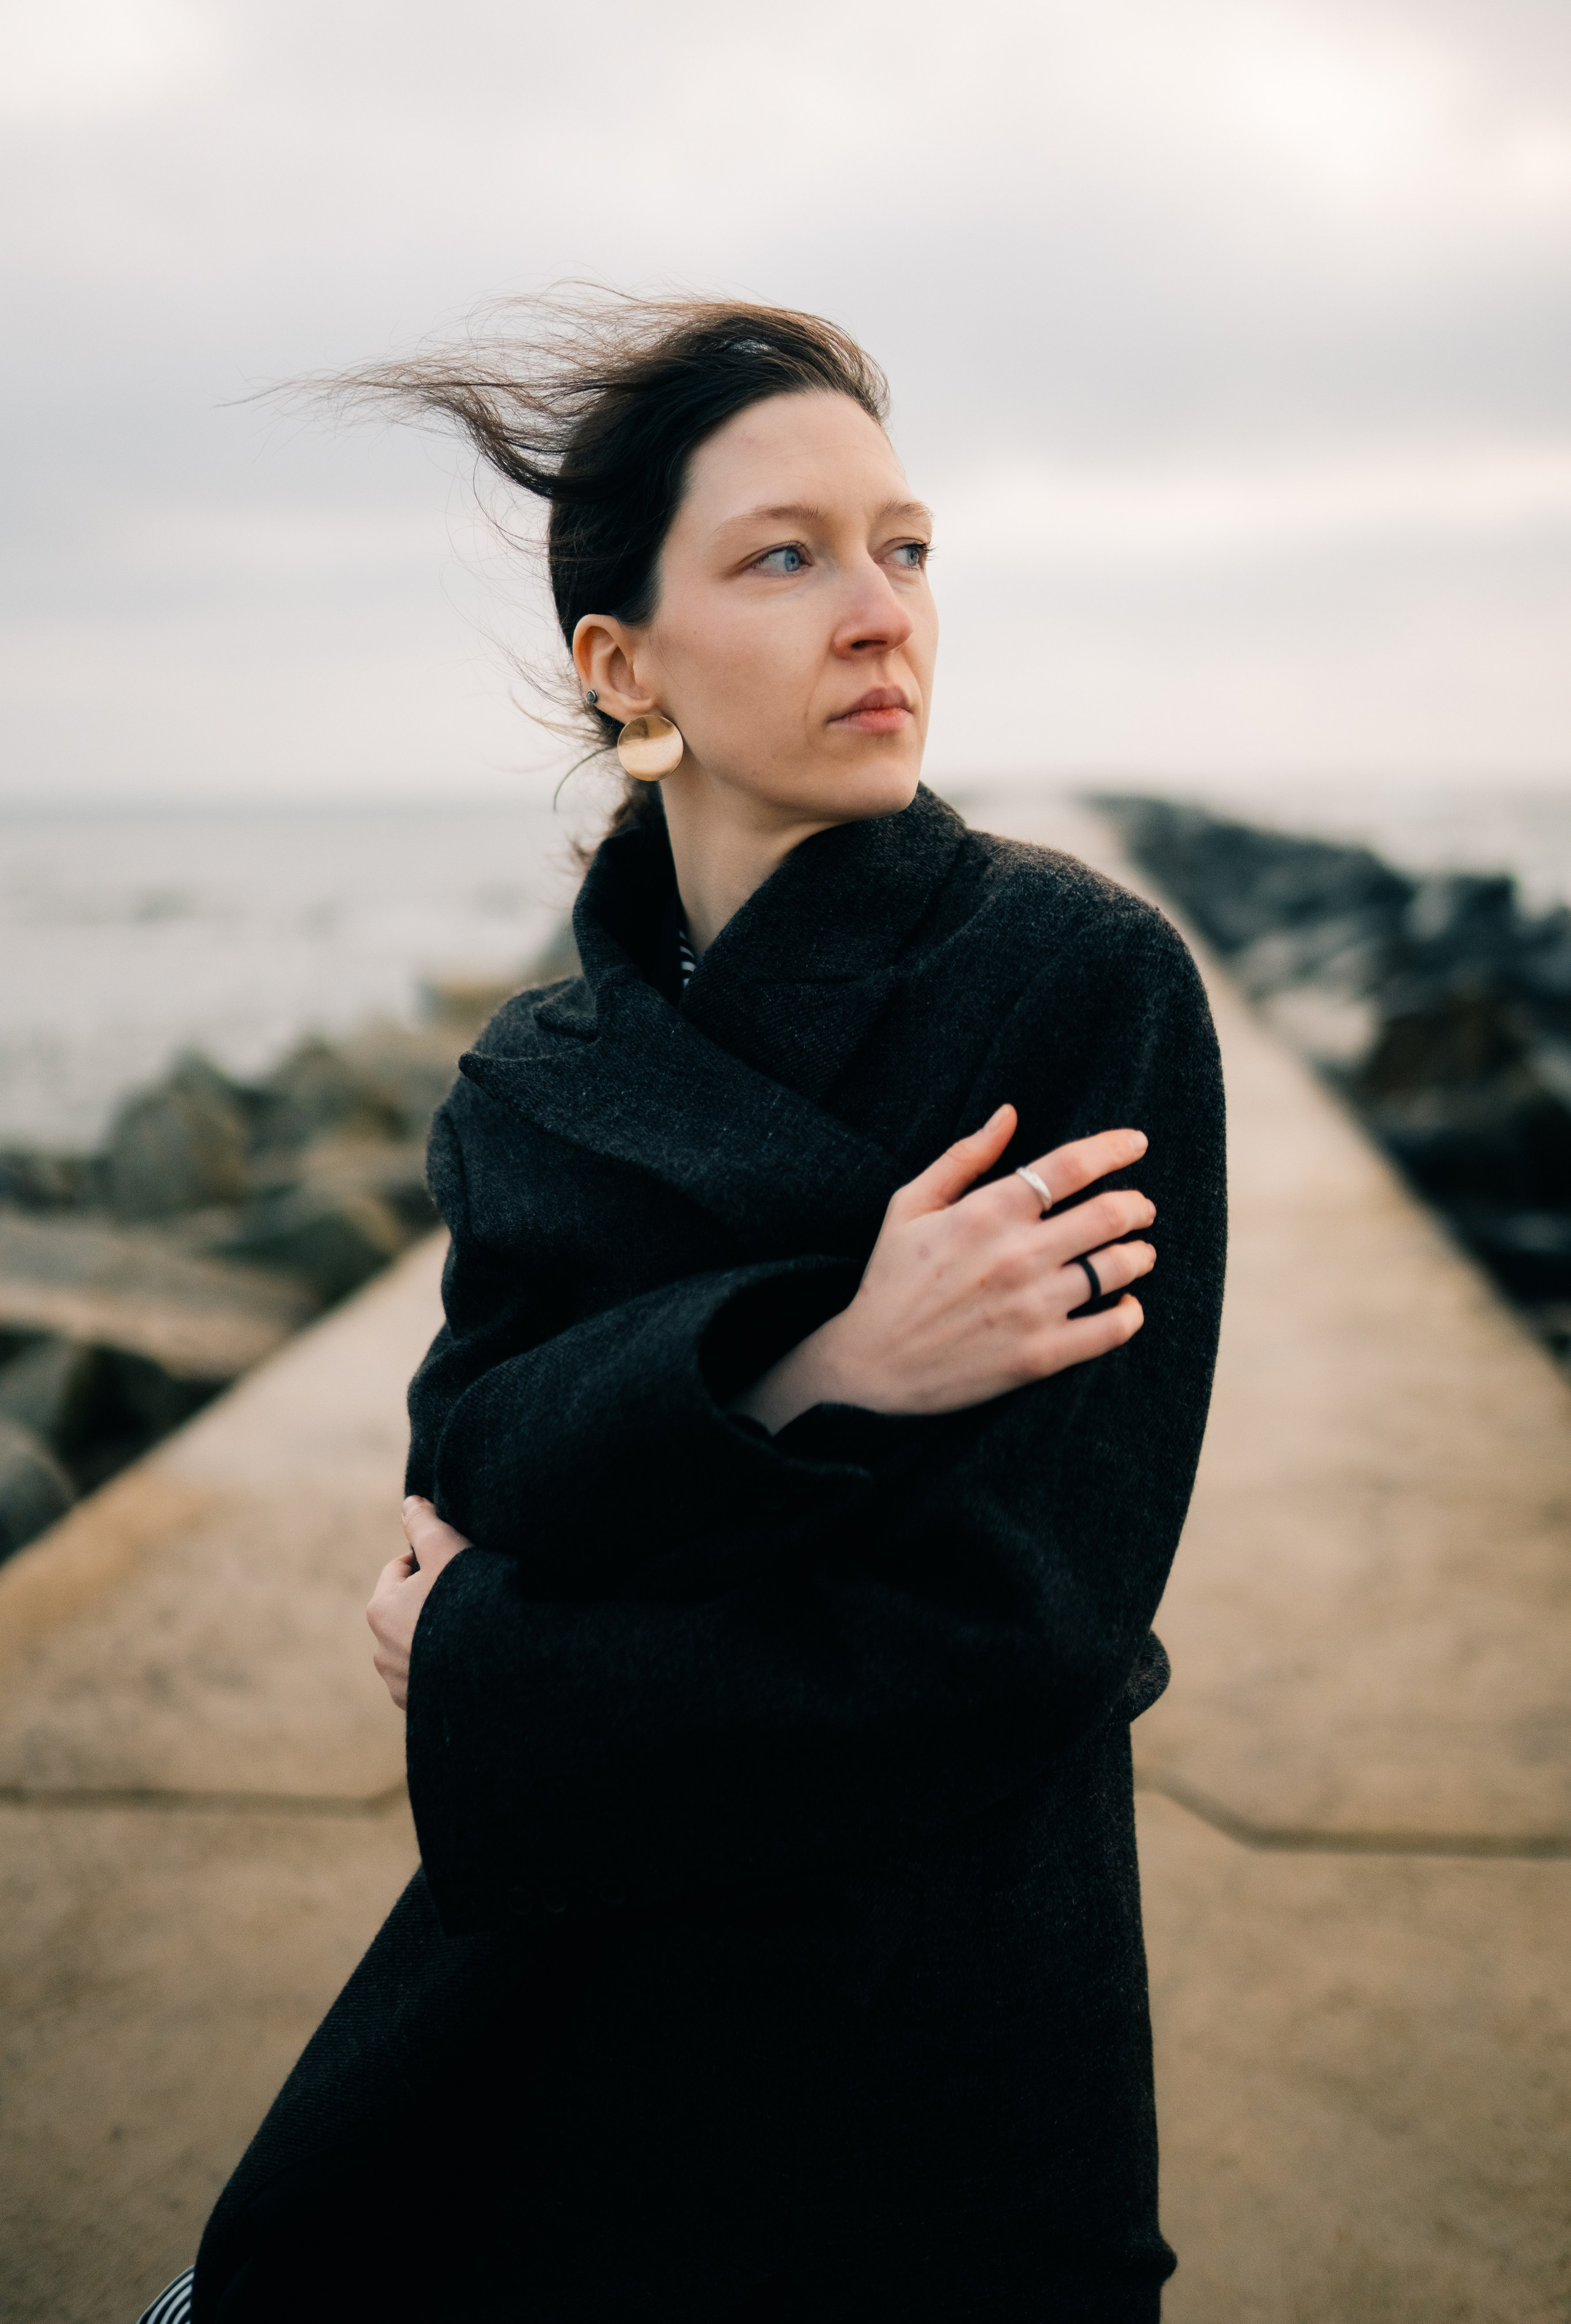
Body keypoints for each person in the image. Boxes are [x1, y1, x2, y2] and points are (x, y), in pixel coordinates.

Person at [144, 296, 1225, 2324]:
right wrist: (825, 1364)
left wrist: (495, 1663)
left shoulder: (1082, 985)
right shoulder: (536, 1074)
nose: (883, 613)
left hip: (938, 2050)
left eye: (906, 547)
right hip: (550, 2002)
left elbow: (1014, 1629)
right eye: (787, 556)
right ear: (622, 665)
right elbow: (470, 1461)